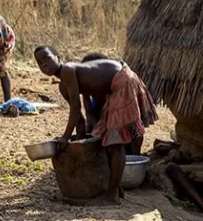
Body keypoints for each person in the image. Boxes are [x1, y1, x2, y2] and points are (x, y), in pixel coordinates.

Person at [35, 45, 158, 205]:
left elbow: (75, 108)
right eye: (40, 63)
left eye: (47, 58)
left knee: (115, 144)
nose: (44, 64)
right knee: (105, 139)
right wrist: (76, 143)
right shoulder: (63, 85)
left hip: (122, 81)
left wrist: (65, 137)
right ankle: (116, 189)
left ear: (58, 57)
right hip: (114, 88)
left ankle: (112, 196)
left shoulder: (68, 69)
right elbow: (79, 119)